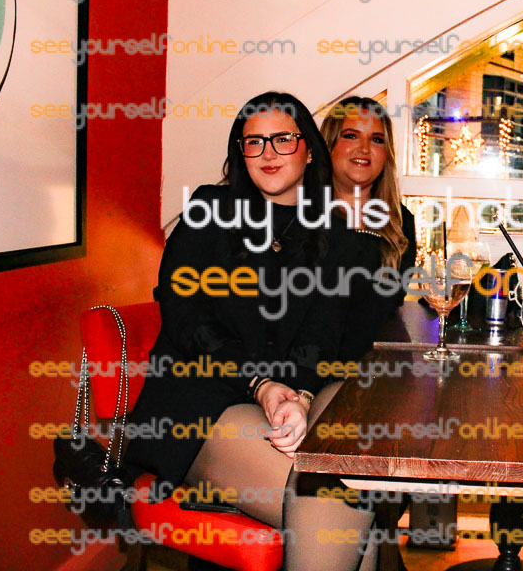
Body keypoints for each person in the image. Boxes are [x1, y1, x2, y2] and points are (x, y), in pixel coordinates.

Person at [125, 92, 379, 570]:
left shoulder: (337, 239)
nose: (267, 153)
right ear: (240, 152)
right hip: (199, 404)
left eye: (283, 139)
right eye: (254, 142)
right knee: (336, 494)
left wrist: (299, 394)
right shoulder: (209, 210)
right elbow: (186, 317)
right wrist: (260, 384)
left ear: (309, 150)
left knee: (351, 499)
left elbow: (323, 336)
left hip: (286, 403)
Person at [320, 96, 416, 357]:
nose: (364, 148)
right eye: (351, 136)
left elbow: (387, 310)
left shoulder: (401, 223)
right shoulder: (301, 216)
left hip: (377, 365)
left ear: (386, 154)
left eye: (376, 140)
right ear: (329, 145)